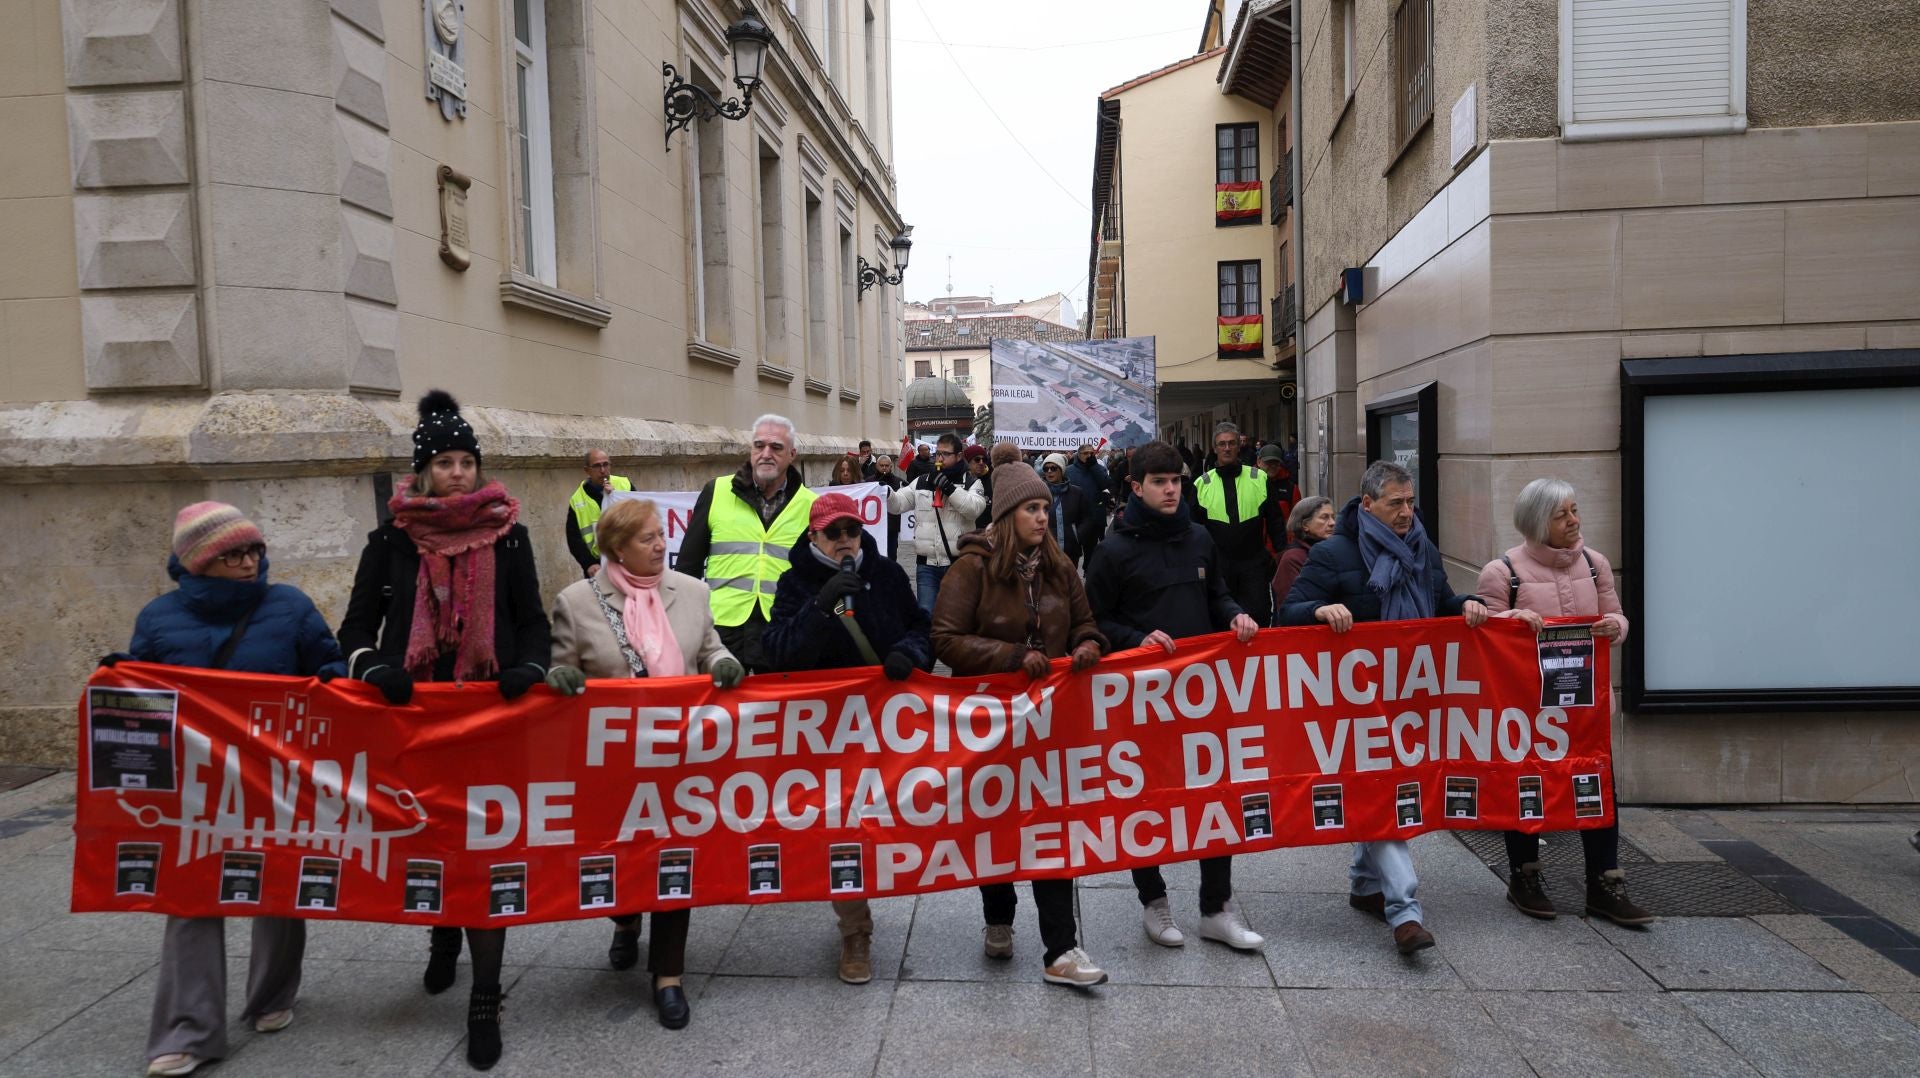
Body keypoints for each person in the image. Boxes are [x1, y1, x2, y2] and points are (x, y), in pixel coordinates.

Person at [337, 390, 551, 1070]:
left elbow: (535, 622)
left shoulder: (508, 534)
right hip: (420, 717)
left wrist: (528, 667)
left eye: (466, 462)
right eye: (445, 463)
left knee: (487, 857)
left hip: (492, 718)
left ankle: (485, 996)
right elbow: (353, 629)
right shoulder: (391, 541)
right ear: (422, 473)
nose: (457, 473)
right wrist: (375, 669)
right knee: (432, 841)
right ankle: (440, 936)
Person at [107, 502, 344, 1078]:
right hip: (196, 783)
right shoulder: (159, 618)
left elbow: (327, 667)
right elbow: (146, 691)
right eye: (232, 554)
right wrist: (121, 677)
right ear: (197, 561)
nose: (247, 562)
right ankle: (186, 1032)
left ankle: (273, 996)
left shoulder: (289, 606)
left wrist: (346, 681)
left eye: (254, 551)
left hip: (276, 775)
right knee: (190, 898)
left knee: (280, 886)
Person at [544, 498, 745, 1030]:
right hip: (611, 763)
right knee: (619, 856)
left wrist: (724, 664)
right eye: (646, 539)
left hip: (678, 760)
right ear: (616, 549)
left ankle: (668, 975)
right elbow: (563, 669)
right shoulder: (576, 602)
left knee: (674, 858)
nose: (660, 545)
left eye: (661, 535)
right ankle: (625, 919)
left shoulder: (694, 593)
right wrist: (559, 679)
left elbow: (709, 649)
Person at [1279, 460, 1490, 956]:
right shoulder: (1332, 554)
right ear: (1368, 503)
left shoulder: (1422, 549)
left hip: (1412, 698)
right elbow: (1287, 612)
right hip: (1355, 706)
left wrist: (1466, 605)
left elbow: (1439, 603)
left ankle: (1363, 885)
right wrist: (1318, 611)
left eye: (1410, 501)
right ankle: (1405, 911)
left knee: (1383, 790)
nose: (1406, 511)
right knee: (1382, 793)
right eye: (1395, 503)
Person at [931, 462, 1109, 988]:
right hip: (989, 720)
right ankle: (999, 917)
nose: (1042, 516)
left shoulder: (1059, 566)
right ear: (1008, 514)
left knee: (1052, 827)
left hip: (1050, 721)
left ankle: (1061, 948)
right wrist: (1010, 655)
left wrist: (1087, 645)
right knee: (998, 822)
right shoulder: (971, 568)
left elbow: (1086, 622)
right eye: (1031, 508)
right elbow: (944, 637)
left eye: (1045, 508)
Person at [1085, 441, 1265, 953]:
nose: (1171, 489)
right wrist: (1132, 641)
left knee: (1216, 798)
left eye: (1177, 481)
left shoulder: (1201, 538)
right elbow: (1095, 622)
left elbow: (1218, 595)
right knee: (1146, 800)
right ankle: (1154, 901)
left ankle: (1216, 908)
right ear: (1136, 487)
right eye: (1160, 482)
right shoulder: (1112, 551)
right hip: (1141, 701)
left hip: (1202, 698)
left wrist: (1234, 614)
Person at [762, 493, 931, 985]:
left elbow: (922, 628)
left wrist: (907, 654)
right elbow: (778, 653)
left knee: (894, 819)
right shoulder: (796, 584)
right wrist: (821, 604)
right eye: (833, 533)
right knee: (843, 829)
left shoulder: (887, 575)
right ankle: (854, 930)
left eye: (851, 532)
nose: (844, 541)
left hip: (883, 725)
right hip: (826, 735)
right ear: (813, 536)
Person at [1474, 478, 1652, 927]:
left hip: (1585, 704)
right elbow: (1485, 634)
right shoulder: (1502, 572)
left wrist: (1616, 627)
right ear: (1538, 521)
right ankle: (1525, 876)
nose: (1574, 521)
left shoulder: (1595, 564)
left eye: (1574, 511)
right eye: (1562, 515)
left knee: (1597, 787)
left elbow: (1616, 613)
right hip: (1529, 707)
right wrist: (1513, 620)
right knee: (1528, 786)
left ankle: (1604, 882)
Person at [675, 414, 815, 672]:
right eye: (759, 445)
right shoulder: (716, 491)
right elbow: (687, 568)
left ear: (792, 454)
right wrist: (687, 626)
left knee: (777, 709)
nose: (766, 453)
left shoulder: (810, 505)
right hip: (721, 631)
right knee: (719, 710)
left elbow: (817, 575)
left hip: (781, 628)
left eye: (776, 447)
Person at [1192, 423, 1287, 626]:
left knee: (1257, 619)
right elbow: (1193, 530)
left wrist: (1281, 554)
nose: (1227, 448)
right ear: (1214, 448)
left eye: (1231, 443)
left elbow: (1275, 520)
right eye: (1222, 444)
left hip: (1254, 564)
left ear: (1238, 447)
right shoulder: (1201, 484)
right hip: (1219, 568)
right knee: (1220, 621)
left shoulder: (1259, 478)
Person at [887, 432, 987, 617]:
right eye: (938, 453)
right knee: (926, 616)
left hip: (958, 564)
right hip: (927, 565)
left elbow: (973, 509)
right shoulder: (923, 481)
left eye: (946, 454)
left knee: (958, 616)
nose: (940, 458)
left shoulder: (971, 483)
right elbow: (898, 504)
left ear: (958, 456)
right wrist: (887, 493)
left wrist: (949, 488)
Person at [565, 448, 631, 579]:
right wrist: (589, 564)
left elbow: (640, 517)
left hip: (627, 563)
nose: (602, 470)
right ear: (587, 470)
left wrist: (616, 496)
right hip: (598, 568)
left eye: (606, 464)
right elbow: (573, 538)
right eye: (597, 466)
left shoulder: (624, 485)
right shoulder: (578, 499)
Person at [1271, 496, 1334, 623]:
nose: (1333, 523)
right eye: (1324, 517)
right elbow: (1289, 610)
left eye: (1333, 517)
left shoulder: (1332, 552)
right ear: (1305, 525)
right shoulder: (1292, 559)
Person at [1038, 453, 1096, 567]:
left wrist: (1077, 535)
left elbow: (1088, 518)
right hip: (1044, 552)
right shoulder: (1038, 493)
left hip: (1070, 552)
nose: (1049, 471)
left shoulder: (1076, 492)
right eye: (1046, 468)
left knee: (1069, 584)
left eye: (1053, 468)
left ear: (1062, 470)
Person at [1065, 442, 1113, 555]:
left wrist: (1094, 467)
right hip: (1075, 518)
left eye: (1091, 453)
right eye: (1085, 453)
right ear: (1078, 454)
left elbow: (1106, 484)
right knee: (1073, 553)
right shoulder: (1068, 470)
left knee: (1091, 553)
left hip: (1094, 517)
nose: (1089, 456)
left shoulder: (1098, 468)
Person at [871, 452, 904, 556]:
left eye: (886, 466)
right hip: (875, 525)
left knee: (891, 554)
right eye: (881, 465)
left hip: (891, 526)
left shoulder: (899, 482)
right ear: (877, 466)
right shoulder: (869, 482)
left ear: (891, 467)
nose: (884, 468)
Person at [964, 445, 993, 528]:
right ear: (967, 461)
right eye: (977, 459)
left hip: (987, 532)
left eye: (984, 459)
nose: (981, 462)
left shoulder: (992, 479)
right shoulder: (961, 480)